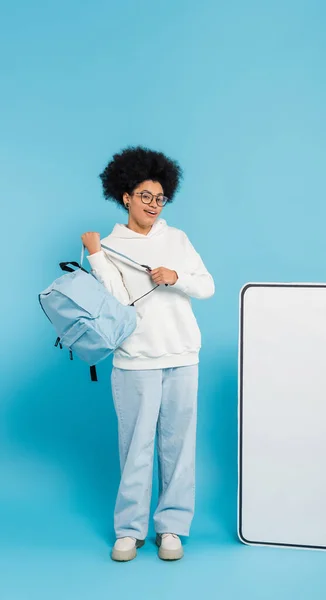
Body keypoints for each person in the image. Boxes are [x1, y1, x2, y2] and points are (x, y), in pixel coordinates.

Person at [81, 146, 215, 562]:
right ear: (126, 196)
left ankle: (172, 527)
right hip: (135, 359)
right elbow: (119, 304)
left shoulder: (177, 239)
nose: (154, 205)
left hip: (182, 356)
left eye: (160, 197)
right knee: (135, 446)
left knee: (178, 446)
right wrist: (98, 255)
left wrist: (176, 277)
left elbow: (207, 285)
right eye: (145, 196)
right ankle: (130, 530)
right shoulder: (110, 244)